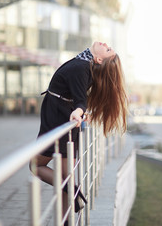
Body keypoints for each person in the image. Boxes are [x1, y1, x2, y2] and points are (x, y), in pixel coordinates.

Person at [29, 42, 128, 225]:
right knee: (67, 177)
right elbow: (79, 93)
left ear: (99, 59)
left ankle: (72, 191)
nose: (106, 44)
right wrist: (79, 110)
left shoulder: (82, 67)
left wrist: (79, 111)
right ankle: (69, 206)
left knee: (35, 166)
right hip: (61, 113)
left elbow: (81, 100)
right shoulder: (84, 64)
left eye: (108, 49)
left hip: (58, 117)